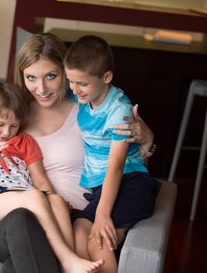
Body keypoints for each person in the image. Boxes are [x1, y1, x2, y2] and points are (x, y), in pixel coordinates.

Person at [0, 33, 156, 273]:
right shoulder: (14, 114)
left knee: (18, 267)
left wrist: (148, 141)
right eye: (31, 78)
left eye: (51, 76)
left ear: (66, 72)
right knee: (21, 221)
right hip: (23, 220)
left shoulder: (89, 105)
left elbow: (130, 168)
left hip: (75, 216)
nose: (41, 88)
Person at [0, 81, 104, 273]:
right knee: (35, 196)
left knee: (57, 201)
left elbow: (41, 180)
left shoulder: (24, 141)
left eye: (14, 126)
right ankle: (67, 258)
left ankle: (65, 263)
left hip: (25, 196)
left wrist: (51, 197)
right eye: (0, 124)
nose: (6, 132)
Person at [64, 35, 160, 273]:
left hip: (131, 183)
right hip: (104, 187)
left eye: (81, 84)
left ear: (106, 77)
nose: (74, 90)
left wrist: (103, 215)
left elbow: (116, 166)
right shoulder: (84, 96)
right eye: (70, 81)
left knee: (97, 236)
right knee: (79, 229)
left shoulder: (119, 111)